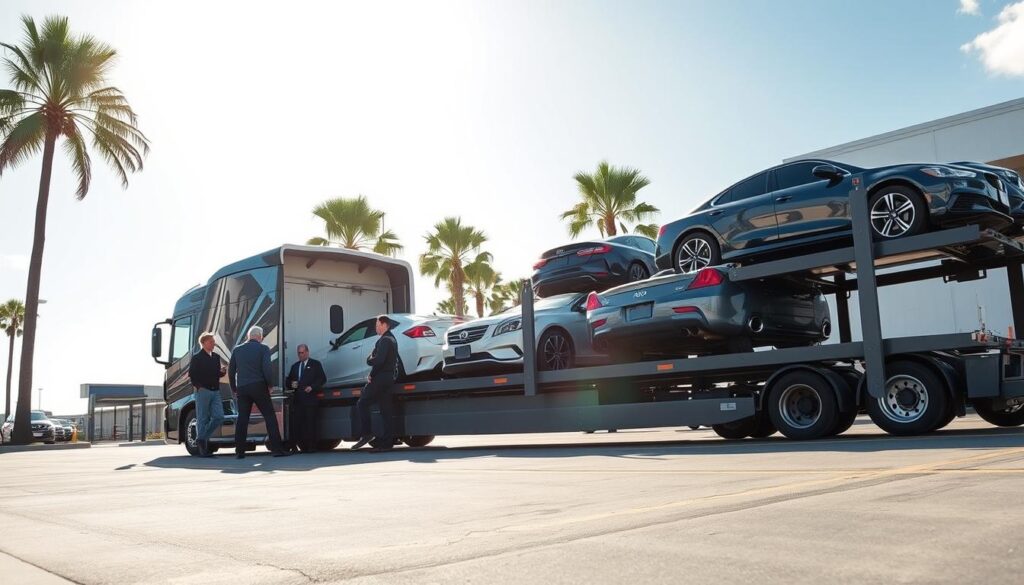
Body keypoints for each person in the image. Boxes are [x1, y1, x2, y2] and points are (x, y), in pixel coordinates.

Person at [228, 325, 289, 459]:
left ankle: (239, 451)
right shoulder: (263, 348)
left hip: (242, 388)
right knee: (269, 417)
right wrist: (270, 385)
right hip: (259, 386)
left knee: (242, 419)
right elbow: (266, 369)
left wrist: (234, 388)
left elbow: (231, 371)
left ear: (249, 336)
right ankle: (277, 450)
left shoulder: (237, 350)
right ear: (260, 337)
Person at [351, 316, 398, 451]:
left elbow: (379, 360)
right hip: (388, 378)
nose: (376, 328)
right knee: (385, 410)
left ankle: (367, 434)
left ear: (384, 325)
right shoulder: (392, 339)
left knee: (362, 403)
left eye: (377, 325)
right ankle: (387, 443)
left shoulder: (384, 340)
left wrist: (370, 366)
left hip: (380, 378)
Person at [187, 331, 225, 457]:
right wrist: (199, 387)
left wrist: (222, 373)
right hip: (203, 391)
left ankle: (201, 437)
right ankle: (203, 446)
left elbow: (215, 373)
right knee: (202, 418)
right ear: (203, 343)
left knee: (219, 416)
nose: (213, 344)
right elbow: (192, 375)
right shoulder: (197, 358)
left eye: (213, 342)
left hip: (215, 391)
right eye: (211, 342)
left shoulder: (215, 357)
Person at [285, 344, 326, 453]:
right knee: (296, 423)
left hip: (310, 399)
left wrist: (312, 387)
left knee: (311, 423)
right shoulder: (295, 366)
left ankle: (312, 446)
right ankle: (295, 446)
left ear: (307, 352)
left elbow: (322, 379)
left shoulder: (315, 364)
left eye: (302, 352)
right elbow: (288, 381)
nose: (301, 355)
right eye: (299, 353)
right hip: (298, 399)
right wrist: (291, 384)